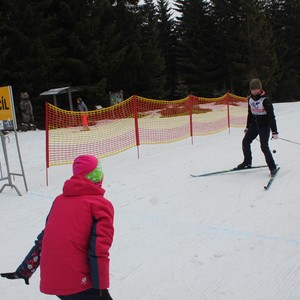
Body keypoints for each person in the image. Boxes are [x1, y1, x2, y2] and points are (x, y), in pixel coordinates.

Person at [1, 155, 114, 300]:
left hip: (54, 280)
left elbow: (44, 239)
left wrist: (25, 269)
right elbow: (98, 251)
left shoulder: (59, 201)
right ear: (98, 176)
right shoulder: (100, 205)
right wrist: (101, 288)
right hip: (78, 282)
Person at [237, 78, 278, 175]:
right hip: (254, 126)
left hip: (264, 126)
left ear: (260, 89)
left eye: (256, 89)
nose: (254, 91)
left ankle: (272, 167)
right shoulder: (250, 99)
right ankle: (247, 162)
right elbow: (250, 114)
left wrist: (275, 131)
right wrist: (247, 126)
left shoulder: (265, 100)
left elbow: (271, 117)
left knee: (264, 147)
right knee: (245, 142)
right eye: (252, 89)